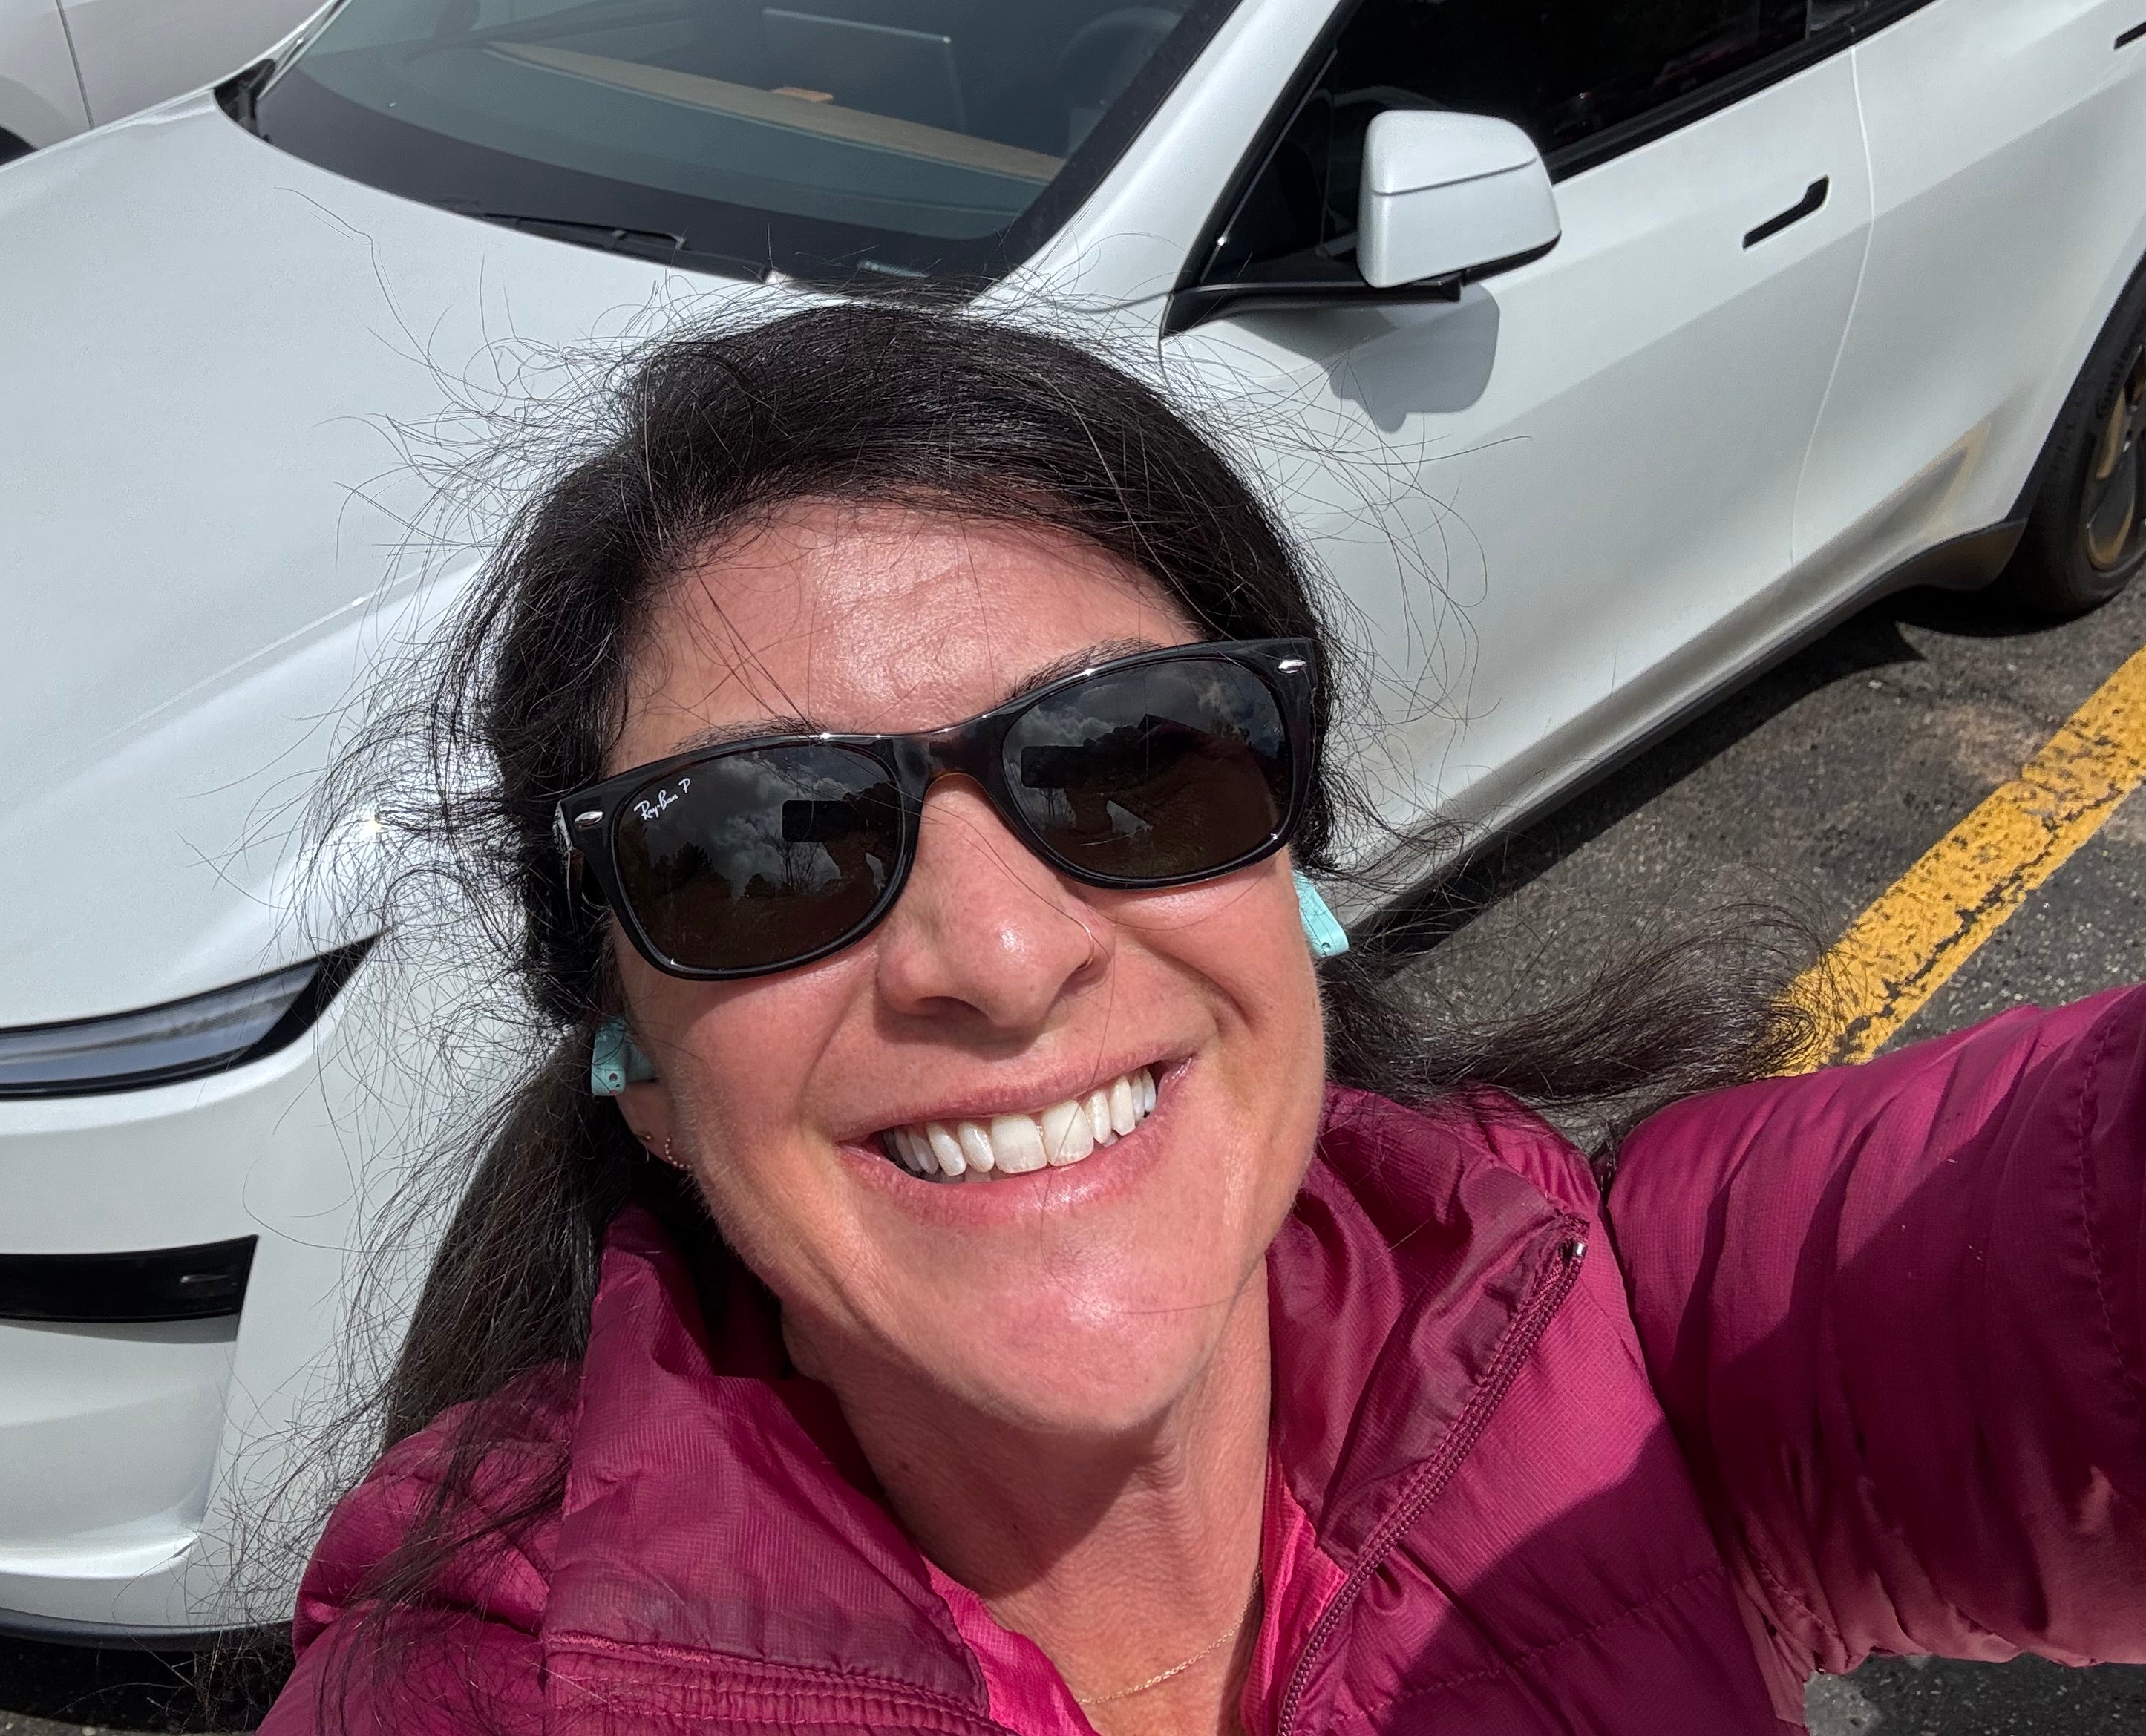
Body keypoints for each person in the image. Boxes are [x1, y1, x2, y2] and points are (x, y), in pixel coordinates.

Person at [264, 303, 2146, 1735]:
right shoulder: (481, 1690)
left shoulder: (1626, 1338)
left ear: (1293, 882)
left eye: (1132, 760)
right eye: (762, 847)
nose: (998, 954)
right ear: (639, 1065)